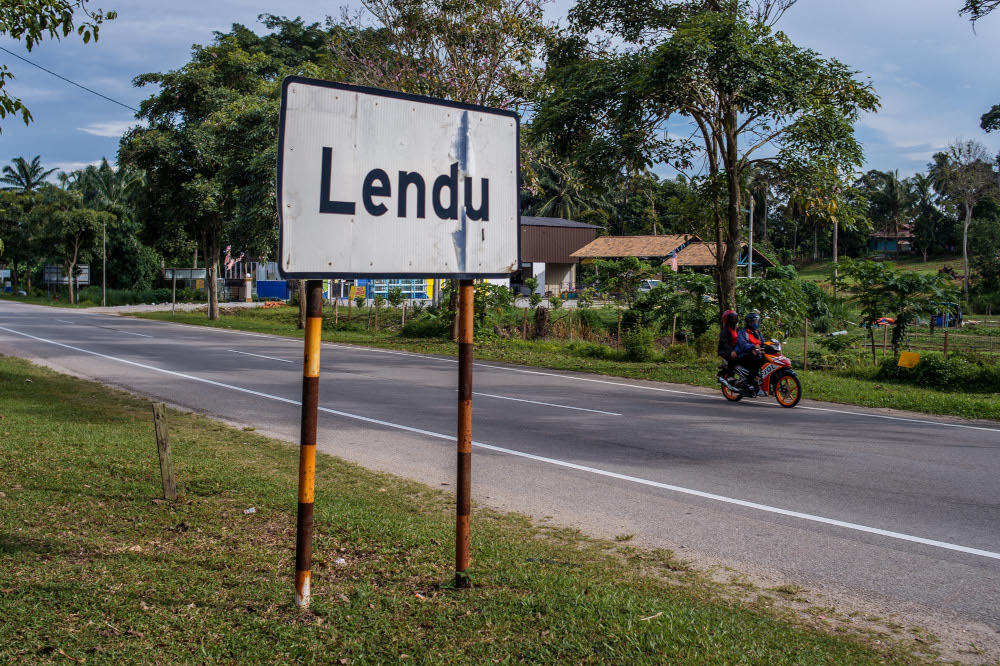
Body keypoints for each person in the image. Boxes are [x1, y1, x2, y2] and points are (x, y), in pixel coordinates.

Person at [735, 312, 766, 396]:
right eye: (753, 322)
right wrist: (752, 347)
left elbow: (763, 342)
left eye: (756, 321)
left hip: (756, 353)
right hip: (744, 354)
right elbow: (743, 344)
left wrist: (770, 345)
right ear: (748, 323)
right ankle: (750, 384)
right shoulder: (742, 332)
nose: (755, 323)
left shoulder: (757, 332)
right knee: (755, 363)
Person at [717, 309, 739, 379]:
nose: (733, 320)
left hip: (736, 348)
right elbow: (724, 344)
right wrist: (731, 351)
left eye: (735, 318)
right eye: (731, 318)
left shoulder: (737, 329)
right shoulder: (725, 331)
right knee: (734, 359)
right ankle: (730, 375)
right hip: (726, 351)